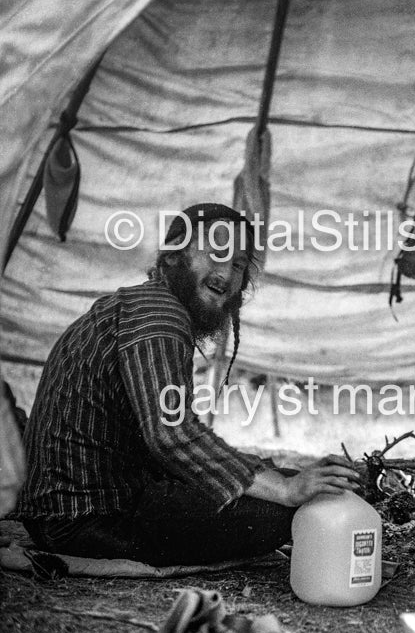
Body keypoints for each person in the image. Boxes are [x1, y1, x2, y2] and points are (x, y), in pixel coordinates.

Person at [11, 203, 361, 565]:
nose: (225, 273)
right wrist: (286, 488)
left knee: (285, 486)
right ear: (174, 253)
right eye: (215, 252)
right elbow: (172, 435)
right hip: (83, 518)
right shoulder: (159, 314)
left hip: (67, 511)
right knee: (288, 507)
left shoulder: (142, 305)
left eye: (239, 264)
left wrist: (271, 475)